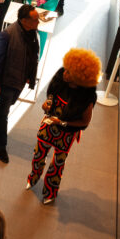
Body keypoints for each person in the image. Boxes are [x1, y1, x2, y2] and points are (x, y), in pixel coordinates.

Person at [27, 49, 100, 204]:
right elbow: (50, 97)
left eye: (70, 73)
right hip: (48, 125)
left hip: (66, 134)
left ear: (80, 79)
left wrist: (62, 123)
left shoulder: (86, 98)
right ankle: (33, 177)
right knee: (38, 154)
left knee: (57, 164)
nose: (64, 73)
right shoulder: (60, 78)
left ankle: (50, 192)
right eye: (66, 69)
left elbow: (84, 123)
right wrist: (47, 105)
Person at [0, 4, 40, 163]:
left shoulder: (31, 32)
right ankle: (0, 146)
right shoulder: (7, 35)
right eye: (35, 19)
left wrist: (30, 75)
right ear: (24, 20)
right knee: (3, 114)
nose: (38, 22)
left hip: (20, 80)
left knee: (7, 103)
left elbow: (32, 56)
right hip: (8, 80)